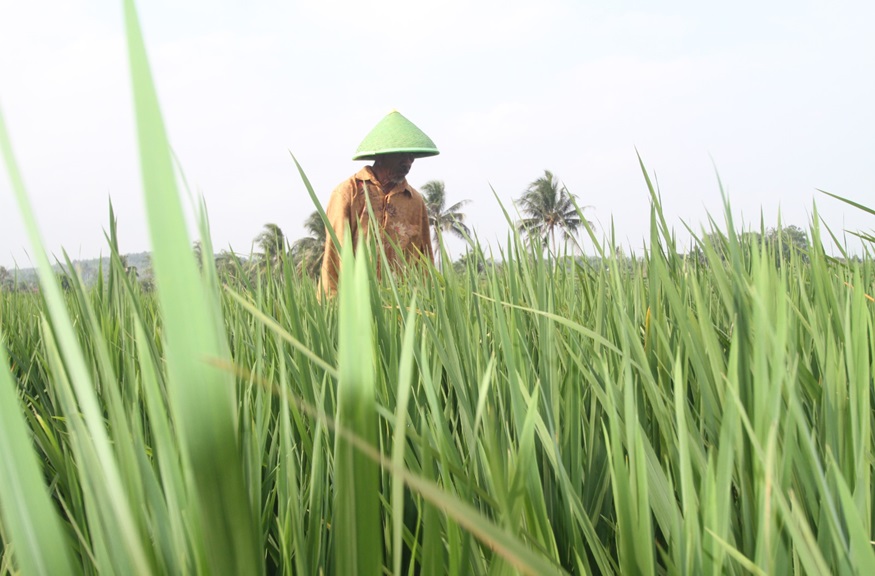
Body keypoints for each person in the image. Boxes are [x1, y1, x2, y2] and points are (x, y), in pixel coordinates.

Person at [320, 110, 437, 295]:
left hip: (400, 302)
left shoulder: (415, 201)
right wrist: (334, 303)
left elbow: (424, 258)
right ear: (381, 156)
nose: (407, 162)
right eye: (401, 155)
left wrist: (428, 300)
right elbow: (335, 253)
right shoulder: (348, 193)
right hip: (357, 299)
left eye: (411, 156)